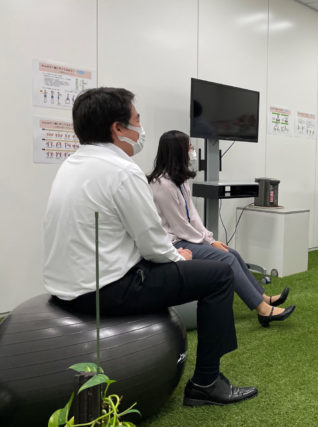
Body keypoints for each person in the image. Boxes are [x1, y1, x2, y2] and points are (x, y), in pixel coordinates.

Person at [43, 87, 257, 407]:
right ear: (117, 128)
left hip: (65, 288)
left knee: (212, 264)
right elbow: (154, 243)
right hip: (107, 290)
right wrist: (178, 257)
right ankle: (206, 383)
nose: (141, 129)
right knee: (220, 275)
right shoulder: (123, 171)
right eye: (137, 120)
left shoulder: (72, 165)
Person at [147, 130, 295, 327]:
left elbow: (193, 216)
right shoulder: (162, 185)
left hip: (185, 237)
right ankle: (263, 310)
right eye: (189, 147)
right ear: (177, 151)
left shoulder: (180, 180)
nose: (192, 151)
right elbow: (180, 226)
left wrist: (210, 239)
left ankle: (262, 297)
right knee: (226, 259)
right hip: (175, 243)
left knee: (232, 253)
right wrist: (208, 243)